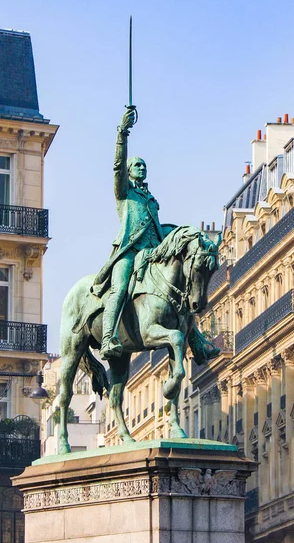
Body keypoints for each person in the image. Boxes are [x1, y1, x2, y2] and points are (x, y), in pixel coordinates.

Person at [93, 107, 218, 363]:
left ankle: (197, 342)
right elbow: (117, 165)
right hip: (129, 252)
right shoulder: (125, 192)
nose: (141, 168)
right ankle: (108, 337)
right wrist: (122, 133)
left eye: (144, 165)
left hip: (153, 252)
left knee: (181, 293)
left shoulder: (151, 200)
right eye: (137, 165)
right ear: (129, 172)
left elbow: (158, 229)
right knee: (119, 288)